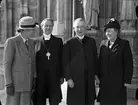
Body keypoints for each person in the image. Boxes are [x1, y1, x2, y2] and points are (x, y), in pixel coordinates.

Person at [63, 18, 98, 105]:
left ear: (85, 28)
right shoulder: (68, 43)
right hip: (75, 80)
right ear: (74, 28)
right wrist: (69, 78)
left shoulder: (91, 42)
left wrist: (97, 75)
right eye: (77, 27)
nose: (79, 29)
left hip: (89, 79)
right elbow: (65, 63)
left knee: (89, 101)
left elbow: (95, 60)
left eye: (82, 27)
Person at [3, 16, 38, 105]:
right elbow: (7, 64)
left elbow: (33, 61)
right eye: (31, 30)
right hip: (15, 85)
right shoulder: (12, 42)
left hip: (28, 84)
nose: (33, 32)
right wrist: (8, 84)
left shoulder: (31, 42)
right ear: (24, 30)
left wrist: (34, 77)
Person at [98, 18, 133, 105]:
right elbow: (99, 62)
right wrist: (97, 77)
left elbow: (128, 63)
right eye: (106, 31)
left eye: (109, 31)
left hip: (118, 84)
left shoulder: (124, 44)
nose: (107, 33)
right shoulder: (103, 44)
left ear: (116, 32)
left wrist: (127, 80)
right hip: (105, 84)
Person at [34, 18, 63, 105]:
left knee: (54, 101)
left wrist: (62, 76)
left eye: (50, 26)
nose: (48, 28)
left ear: (52, 27)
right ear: (42, 27)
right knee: (39, 101)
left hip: (54, 77)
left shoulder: (58, 41)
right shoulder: (36, 41)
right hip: (40, 78)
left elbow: (61, 59)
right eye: (46, 26)